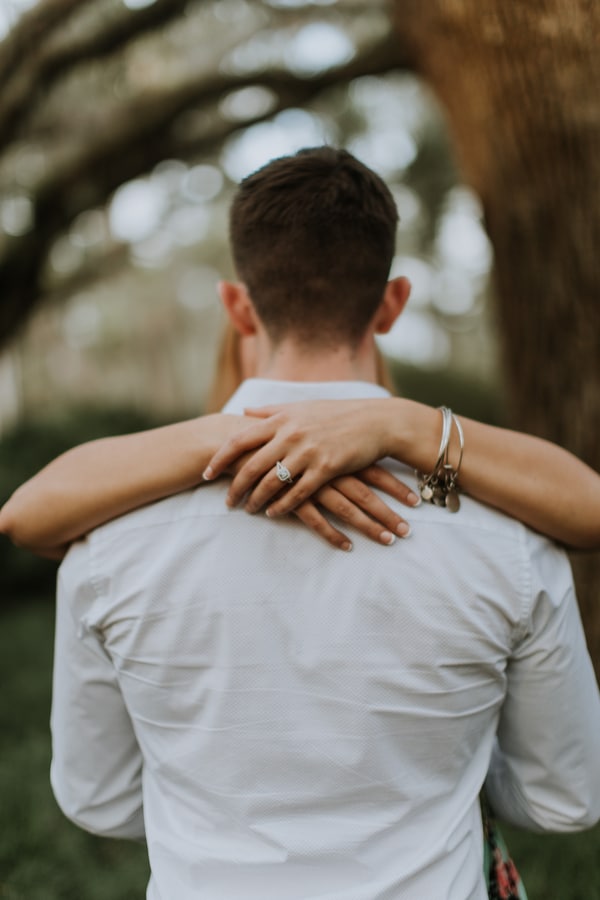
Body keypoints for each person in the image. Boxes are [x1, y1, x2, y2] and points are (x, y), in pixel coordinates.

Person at [2, 147, 600, 899]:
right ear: (393, 302)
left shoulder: (110, 541)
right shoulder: (508, 537)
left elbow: (99, 798)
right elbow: (565, 797)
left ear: (237, 305)